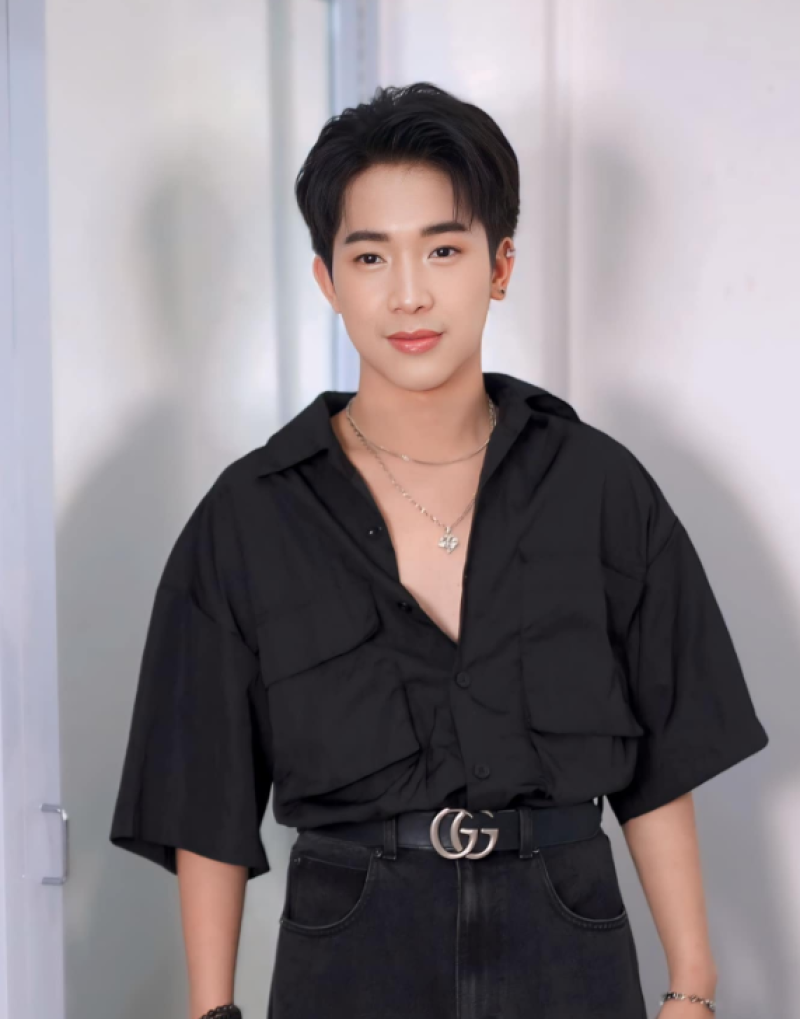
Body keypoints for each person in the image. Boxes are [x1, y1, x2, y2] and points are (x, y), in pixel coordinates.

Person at [109, 82, 769, 1019]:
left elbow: (663, 756)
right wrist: (212, 1011)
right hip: (351, 950)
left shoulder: (598, 487)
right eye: (370, 255)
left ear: (500, 265)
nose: (408, 293)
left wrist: (692, 986)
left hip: (567, 940)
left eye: (444, 249)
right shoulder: (250, 515)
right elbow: (203, 792)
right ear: (327, 281)